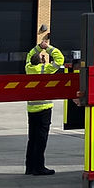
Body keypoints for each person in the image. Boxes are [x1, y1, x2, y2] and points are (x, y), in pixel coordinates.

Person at [23, 25, 63, 175]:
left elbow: (29, 55)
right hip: (44, 109)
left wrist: (39, 48)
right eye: (42, 57)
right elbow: (60, 60)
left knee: (31, 139)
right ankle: (39, 167)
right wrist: (48, 47)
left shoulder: (28, 67)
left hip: (31, 109)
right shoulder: (45, 70)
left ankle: (29, 167)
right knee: (41, 140)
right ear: (41, 61)